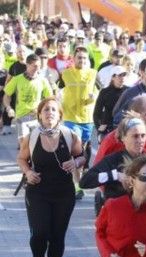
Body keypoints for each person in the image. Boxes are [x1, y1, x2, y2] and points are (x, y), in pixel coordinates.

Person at [18, 98, 84, 257]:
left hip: (63, 193)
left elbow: (81, 156)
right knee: (39, 233)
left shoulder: (70, 134)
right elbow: (22, 159)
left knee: (57, 235)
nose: (50, 113)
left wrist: (76, 163)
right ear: (39, 114)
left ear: (60, 114)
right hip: (37, 191)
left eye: (54, 110)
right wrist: (28, 172)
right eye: (46, 110)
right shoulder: (31, 136)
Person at [60, 46, 98, 199]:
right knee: (74, 150)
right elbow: (53, 88)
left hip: (87, 119)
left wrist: (93, 97)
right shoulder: (66, 74)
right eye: (79, 57)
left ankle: (76, 181)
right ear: (73, 59)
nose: (81, 60)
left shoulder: (93, 74)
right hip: (70, 118)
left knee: (81, 154)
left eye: (84, 58)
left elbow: (99, 92)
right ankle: (76, 186)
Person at [3, 53, 52, 141]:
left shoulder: (43, 80)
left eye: (39, 66)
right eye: (35, 66)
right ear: (27, 65)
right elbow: (6, 96)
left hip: (37, 117)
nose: (37, 69)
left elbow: (50, 99)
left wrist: (42, 109)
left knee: (36, 145)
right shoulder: (17, 79)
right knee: (24, 144)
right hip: (21, 117)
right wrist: (8, 108)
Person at [93, 66, 128, 140]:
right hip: (108, 130)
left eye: (124, 75)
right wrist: (99, 127)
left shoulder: (128, 91)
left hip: (124, 129)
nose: (122, 78)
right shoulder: (105, 92)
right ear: (113, 77)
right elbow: (96, 113)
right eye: (120, 75)